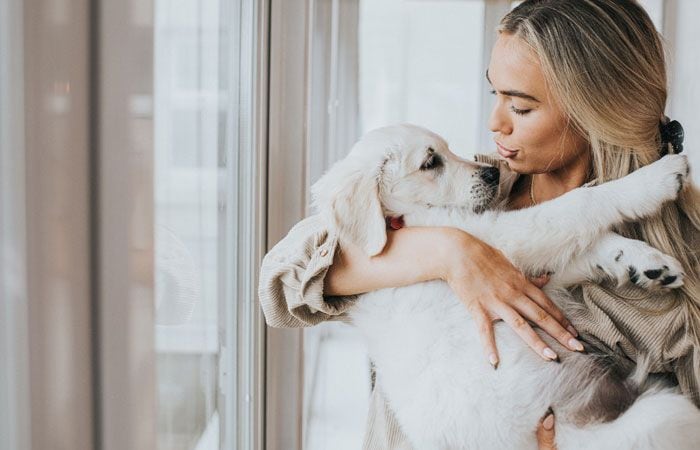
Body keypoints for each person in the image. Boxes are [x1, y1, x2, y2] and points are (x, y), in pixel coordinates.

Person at [258, 1, 700, 448]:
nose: (495, 124)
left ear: (596, 109)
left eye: (521, 108)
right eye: (496, 95)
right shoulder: (474, 191)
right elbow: (280, 285)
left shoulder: (674, 261)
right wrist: (451, 252)